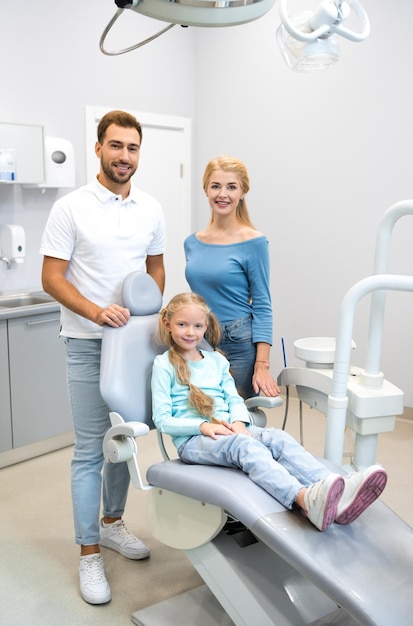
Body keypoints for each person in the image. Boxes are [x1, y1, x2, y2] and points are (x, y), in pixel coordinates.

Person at [40, 110, 166, 605]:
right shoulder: (71, 208)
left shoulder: (151, 208)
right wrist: (98, 313)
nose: (124, 157)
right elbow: (52, 277)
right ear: (98, 148)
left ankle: (112, 524)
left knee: (126, 441)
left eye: (132, 148)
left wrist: (144, 315)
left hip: (134, 346)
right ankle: (88, 552)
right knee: (91, 449)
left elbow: (156, 268)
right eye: (116, 146)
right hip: (88, 345)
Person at [151, 292, 388, 533]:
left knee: (277, 437)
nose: (190, 332)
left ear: (206, 326)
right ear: (168, 324)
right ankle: (305, 499)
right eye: (182, 324)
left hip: (232, 429)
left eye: (197, 326)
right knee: (245, 448)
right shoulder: (164, 365)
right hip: (194, 441)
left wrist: (240, 422)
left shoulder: (216, 361)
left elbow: (233, 398)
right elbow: (162, 420)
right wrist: (203, 427)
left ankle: (337, 490)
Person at [184, 155, 280, 400]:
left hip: (238, 341)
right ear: (206, 189)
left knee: (237, 420)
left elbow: (262, 303)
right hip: (200, 339)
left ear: (243, 192)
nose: (222, 194)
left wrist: (262, 365)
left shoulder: (254, 242)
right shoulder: (192, 243)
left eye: (231, 187)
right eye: (215, 186)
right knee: (204, 416)